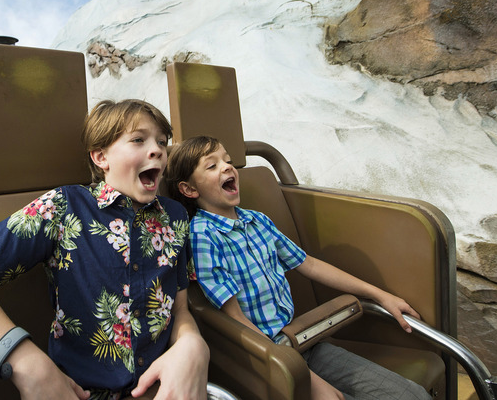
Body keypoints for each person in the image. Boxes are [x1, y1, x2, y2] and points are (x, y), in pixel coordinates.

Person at [0, 100, 209, 399]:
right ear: (101, 156)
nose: (156, 149)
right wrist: (25, 362)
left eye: (161, 142)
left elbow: (179, 308)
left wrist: (192, 343)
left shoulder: (175, 216)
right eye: (138, 140)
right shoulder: (64, 206)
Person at [164, 135, 431, 400]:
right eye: (212, 166)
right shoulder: (202, 236)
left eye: (228, 160)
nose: (226, 167)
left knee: (413, 395)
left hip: (302, 341)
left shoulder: (257, 220)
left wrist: (378, 294)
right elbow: (235, 318)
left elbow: (310, 265)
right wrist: (305, 378)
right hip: (268, 357)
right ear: (189, 189)